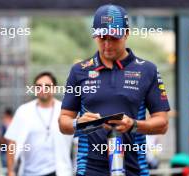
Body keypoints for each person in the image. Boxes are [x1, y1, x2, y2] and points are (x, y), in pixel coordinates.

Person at [59, 4, 170, 176]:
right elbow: (63, 122)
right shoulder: (78, 71)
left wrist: (133, 125)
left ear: (126, 34)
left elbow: (162, 124)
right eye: (102, 38)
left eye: (114, 38)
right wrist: (79, 124)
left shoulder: (147, 70)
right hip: (89, 169)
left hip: (134, 169)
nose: (107, 44)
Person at [4, 72, 73, 176]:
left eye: (47, 86)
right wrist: (10, 171)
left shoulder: (66, 111)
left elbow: (78, 142)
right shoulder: (23, 111)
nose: (43, 89)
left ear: (54, 88)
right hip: (28, 172)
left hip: (59, 172)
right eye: (39, 86)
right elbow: (12, 143)